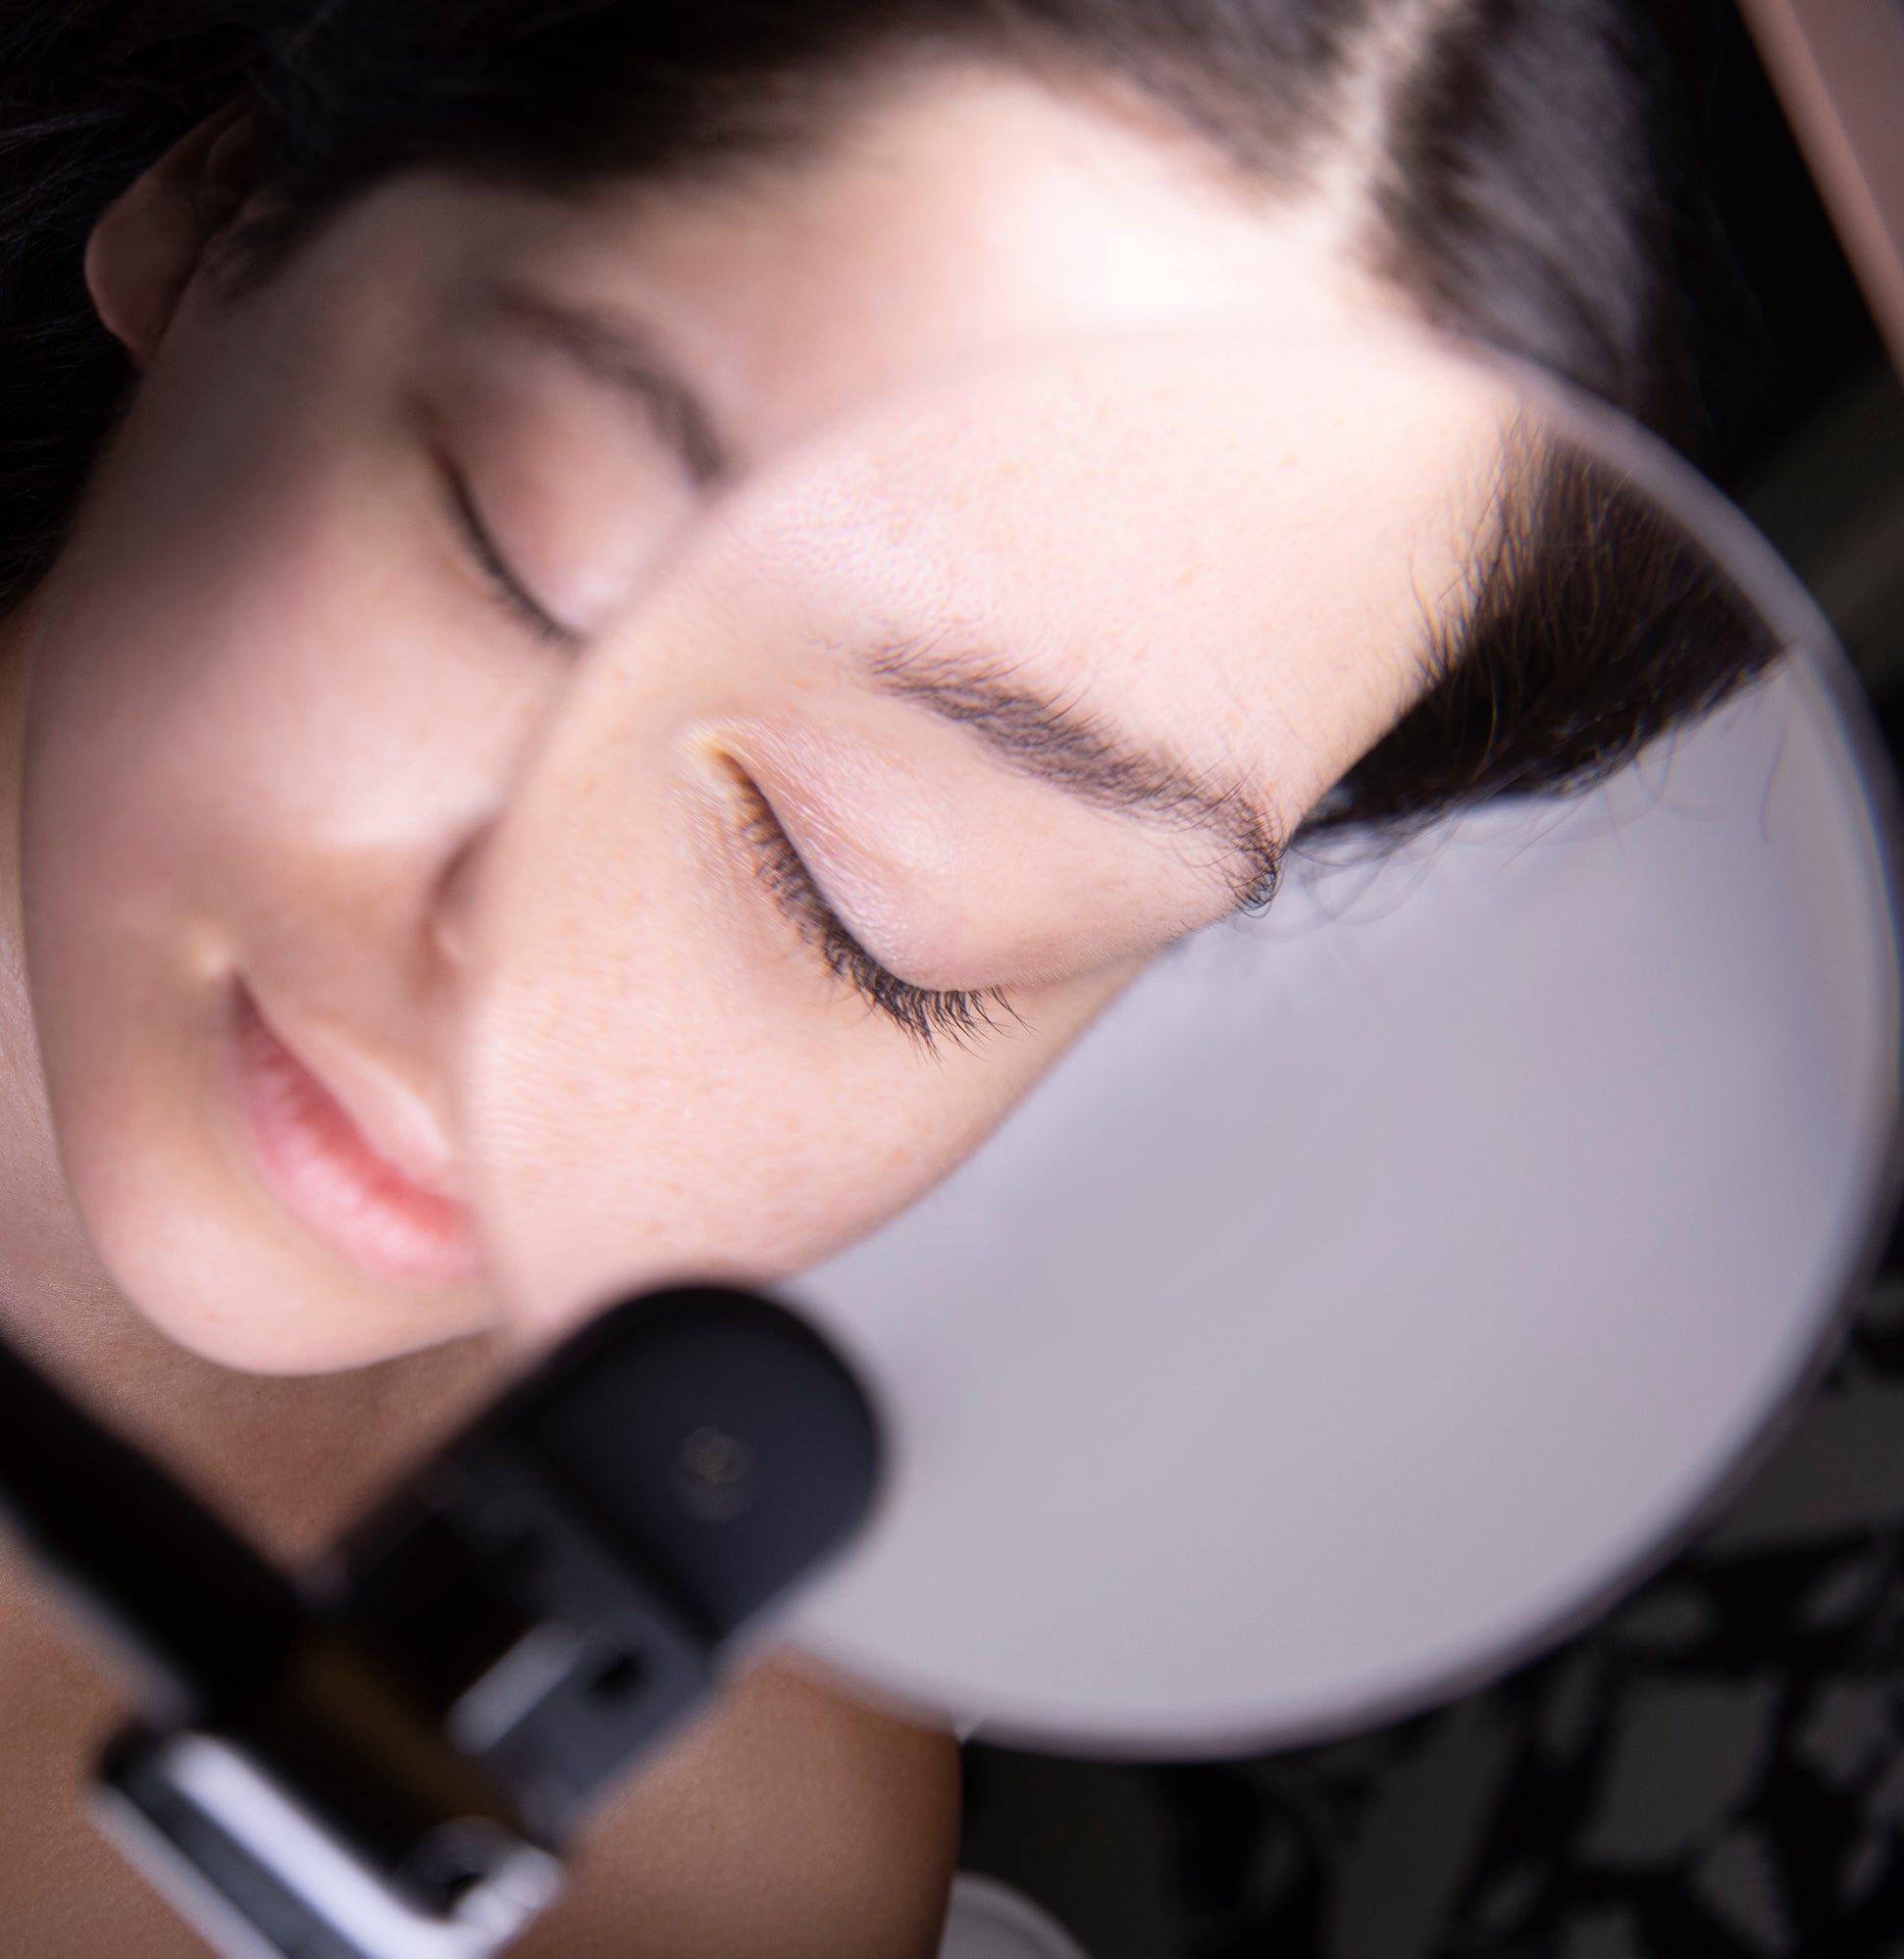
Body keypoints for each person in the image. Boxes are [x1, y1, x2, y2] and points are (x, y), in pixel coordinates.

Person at [0, 1, 1773, 1952]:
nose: (538, 987)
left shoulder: (690, 1872)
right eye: (536, 567)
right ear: (226, 213)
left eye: (876, 921)